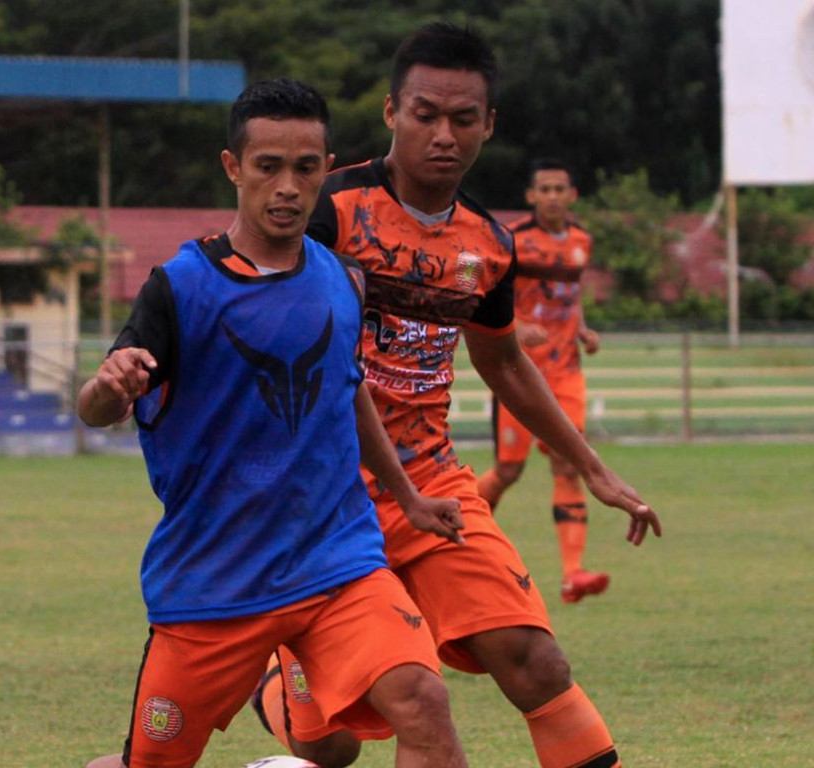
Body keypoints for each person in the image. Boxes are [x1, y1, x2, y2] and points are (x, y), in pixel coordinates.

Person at [252, 23, 661, 768]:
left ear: (488, 125)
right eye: (425, 114)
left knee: (538, 664)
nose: (444, 134)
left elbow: (503, 364)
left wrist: (595, 469)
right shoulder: (330, 211)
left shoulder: (489, 245)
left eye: (463, 118)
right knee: (335, 745)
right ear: (391, 113)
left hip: (433, 481)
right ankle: (285, 685)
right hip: (322, 491)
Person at [78, 77, 471, 768]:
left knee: (422, 702)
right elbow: (100, 404)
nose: (288, 186)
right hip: (214, 580)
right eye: (268, 167)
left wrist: (406, 496)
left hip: (336, 561)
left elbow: (349, 394)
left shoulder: (344, 280)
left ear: (326, 167)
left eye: (306, 167)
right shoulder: (182, 285)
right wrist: (109, 384)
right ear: (234, 168)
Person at [477, 158, 608, 603]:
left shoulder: (581, 242)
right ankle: (457, 530)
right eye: (544, 189)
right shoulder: (513, 241)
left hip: (566, 371)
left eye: (560, 189)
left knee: (569, 463)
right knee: (509, 470)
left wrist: (584, 329)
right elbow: (482, 293)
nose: (553, 196)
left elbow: (571, 298)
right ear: (531, 196)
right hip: (518, 371)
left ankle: (574, 574)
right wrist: (513, 325)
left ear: (572, 196)